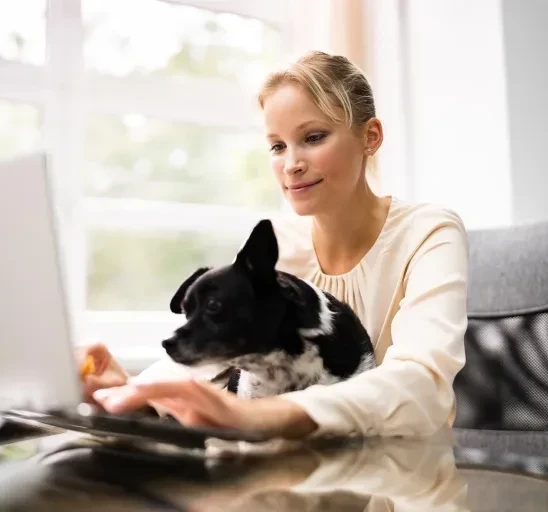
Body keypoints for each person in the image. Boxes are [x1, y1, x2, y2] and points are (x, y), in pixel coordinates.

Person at [80, 51, 468, 440]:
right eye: (277, 146)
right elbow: (221, 350)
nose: (291, 164)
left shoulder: (429, 233)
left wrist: (267, 415)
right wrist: (133, 391)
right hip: (302, 466)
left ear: (370, 137)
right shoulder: (279, 244)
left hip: (408, 471)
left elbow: (423, 383)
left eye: (313, 138)